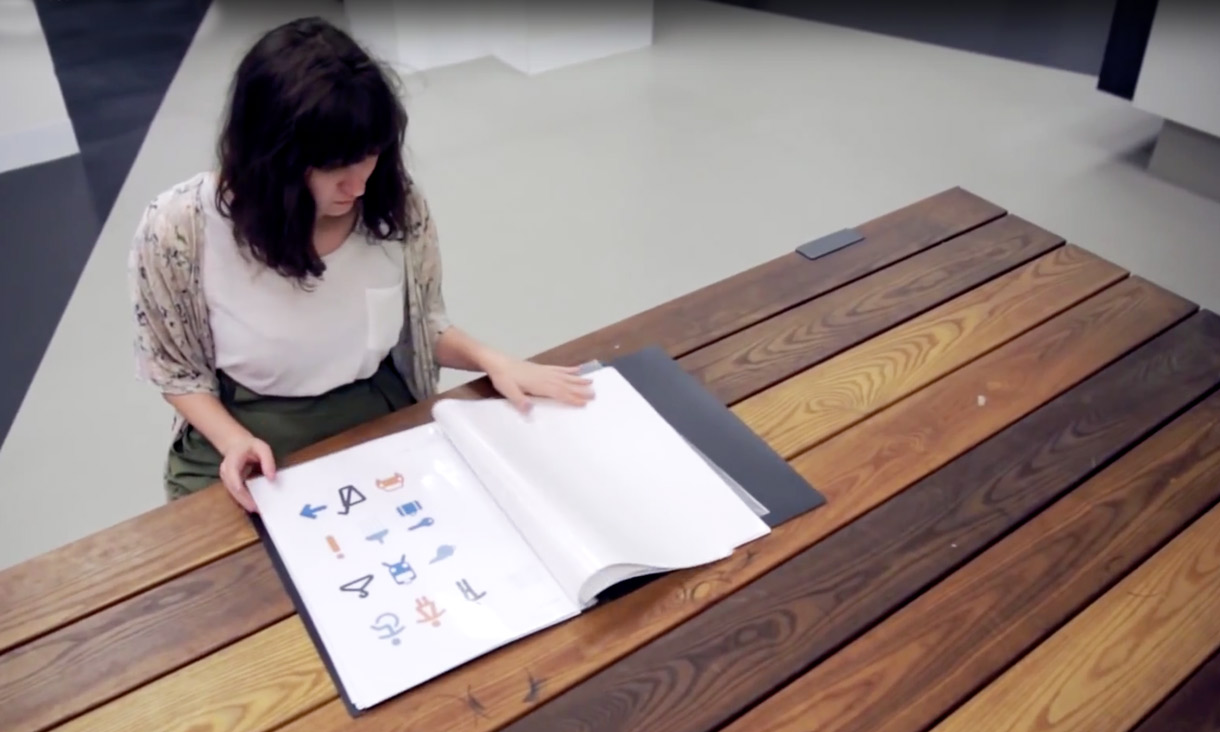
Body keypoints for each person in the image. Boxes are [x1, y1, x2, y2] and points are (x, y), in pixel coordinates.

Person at [128, 17, 593, 512]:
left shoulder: (394, 204)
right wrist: (231, 440)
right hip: (246, 424)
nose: (359, 187)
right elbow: (176, 372)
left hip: (372, 405)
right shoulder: (179, 227)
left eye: (370, 155)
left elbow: (422, 324)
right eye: (332, 169)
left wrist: (493, 361)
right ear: (269, 160)